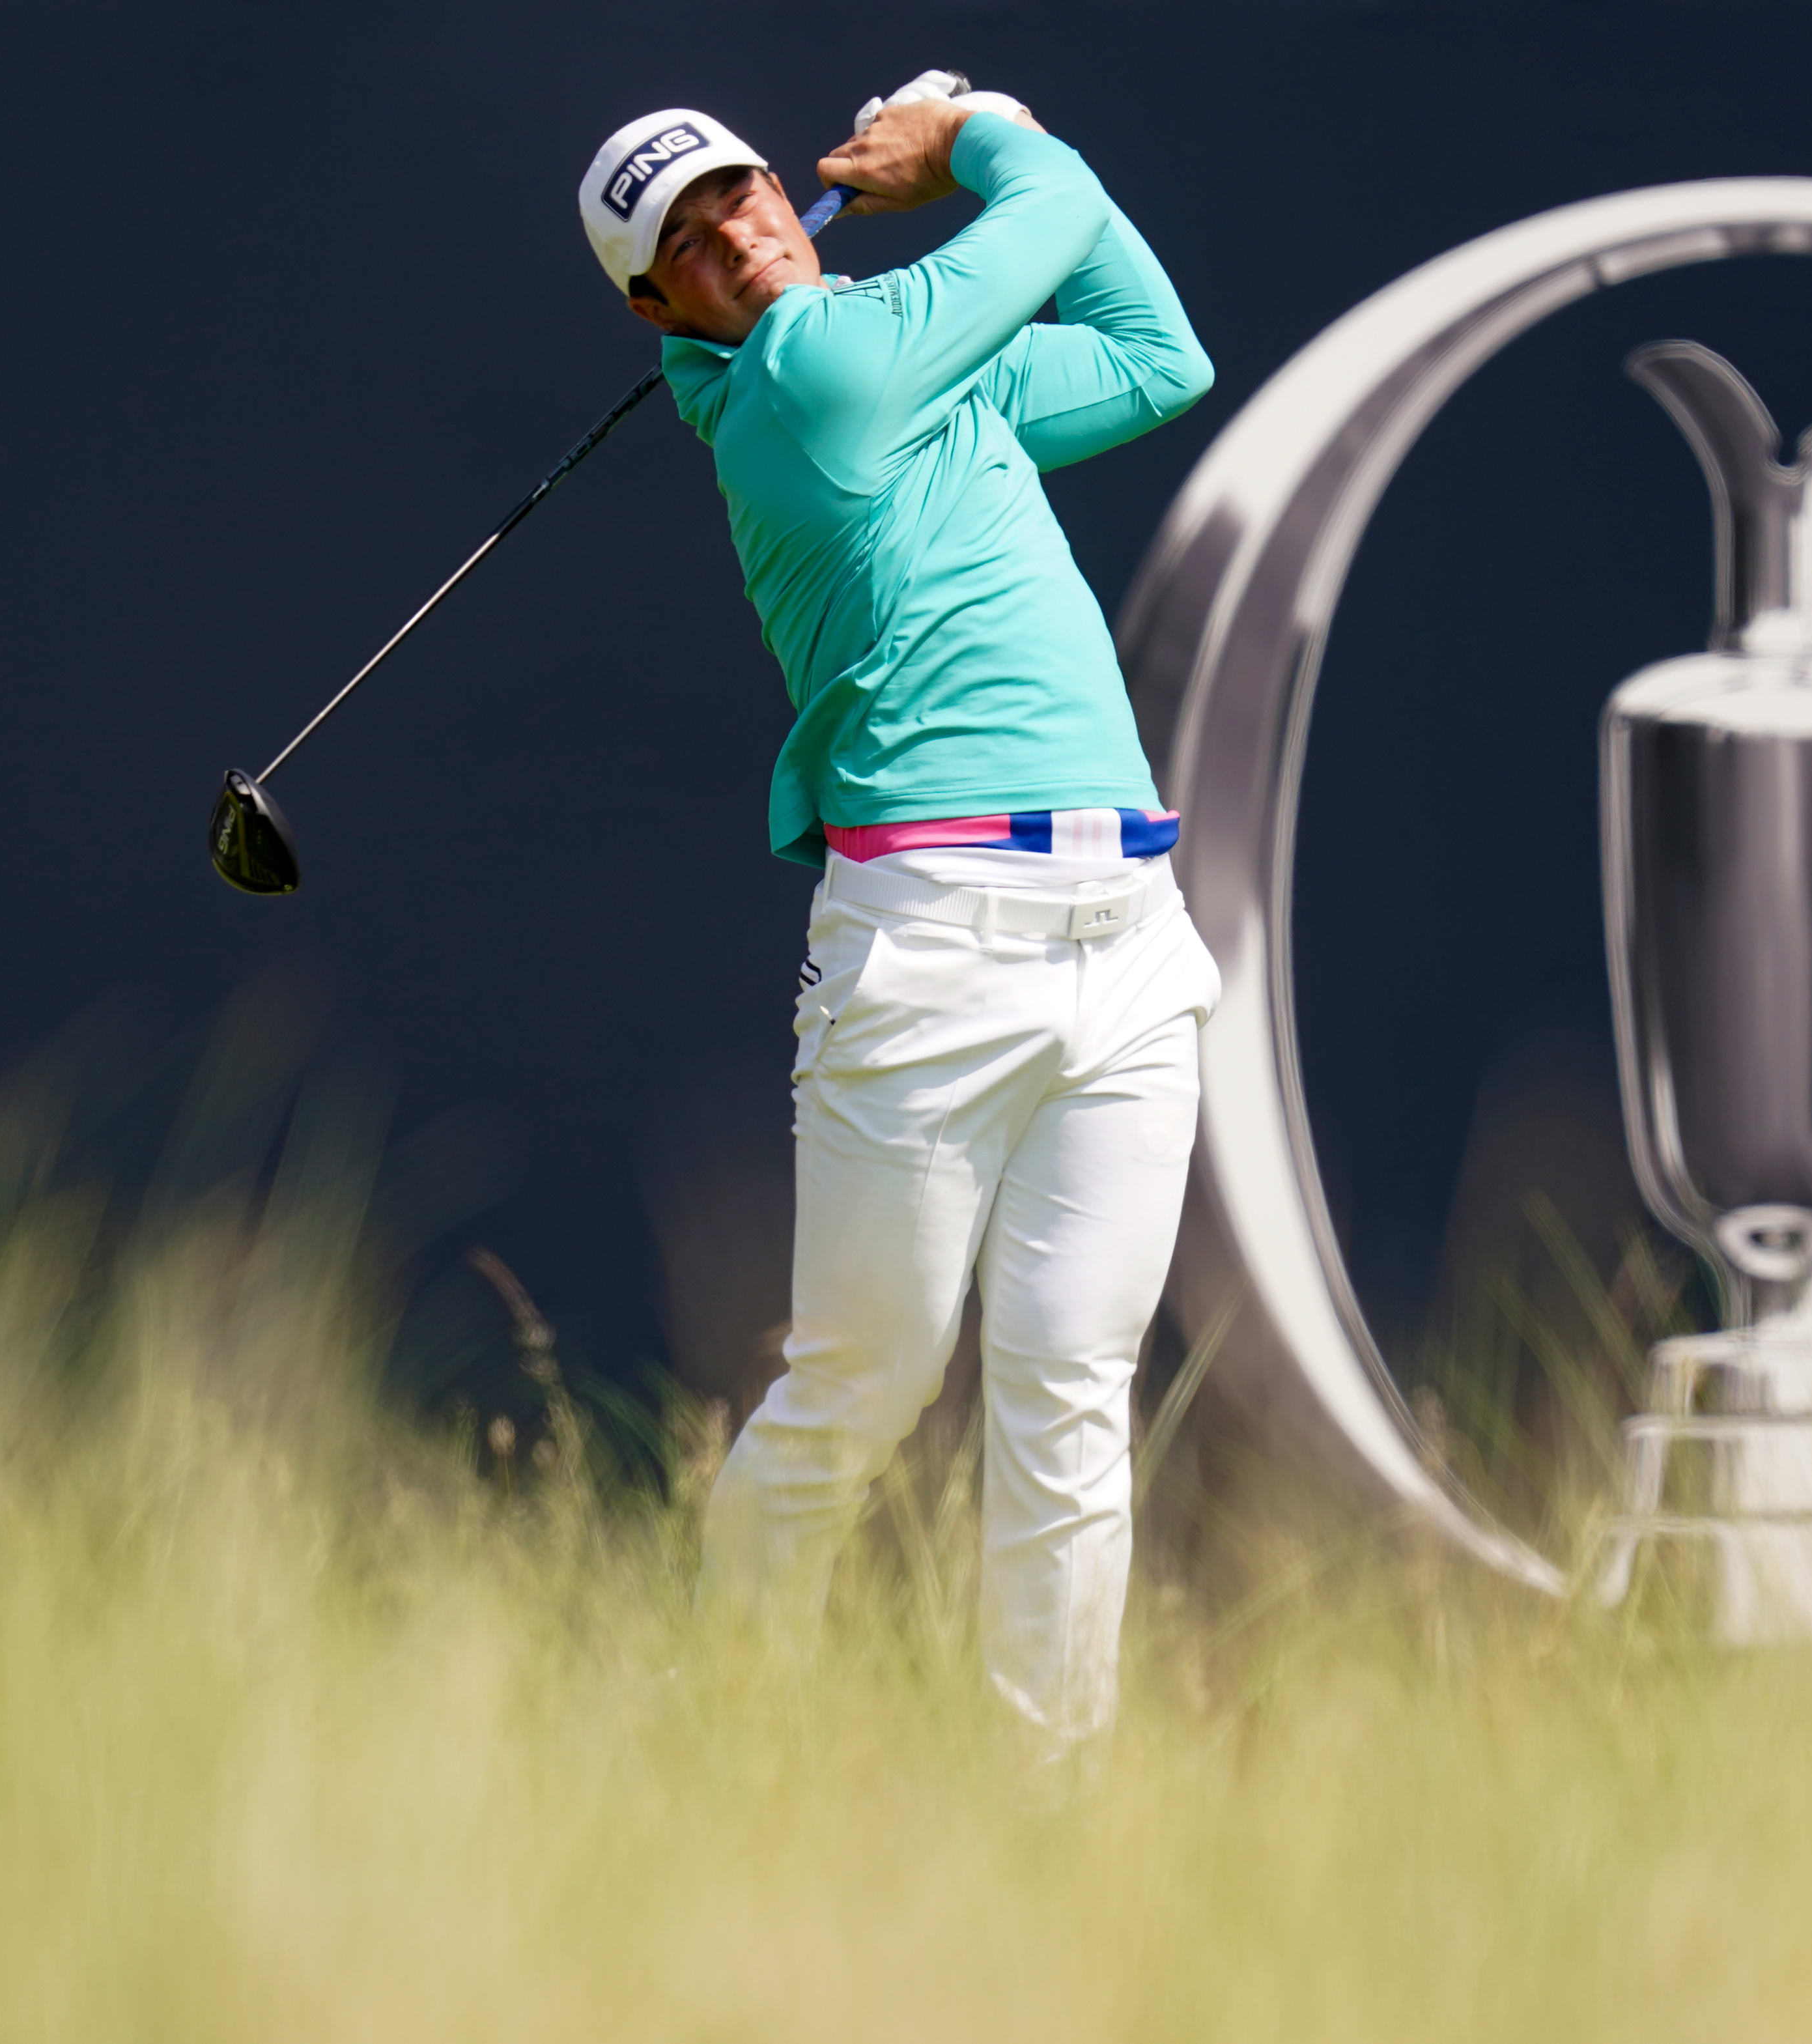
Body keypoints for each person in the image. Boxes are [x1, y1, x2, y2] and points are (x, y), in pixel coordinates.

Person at [574, 86, 1217, 1748]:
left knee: (1070, 1397)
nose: (735, 239)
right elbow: (1050, 210)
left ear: (778, 192)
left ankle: (1048, 1799)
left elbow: (1158, 360)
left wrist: (1000, 155)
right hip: (934, 946)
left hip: (1130, 933)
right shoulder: (807, 377)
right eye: (685, 247)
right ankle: (708, 1735)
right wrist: (978, 129)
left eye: (739, 197)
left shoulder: (911, 370)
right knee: (863, 1385)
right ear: (657, 312)